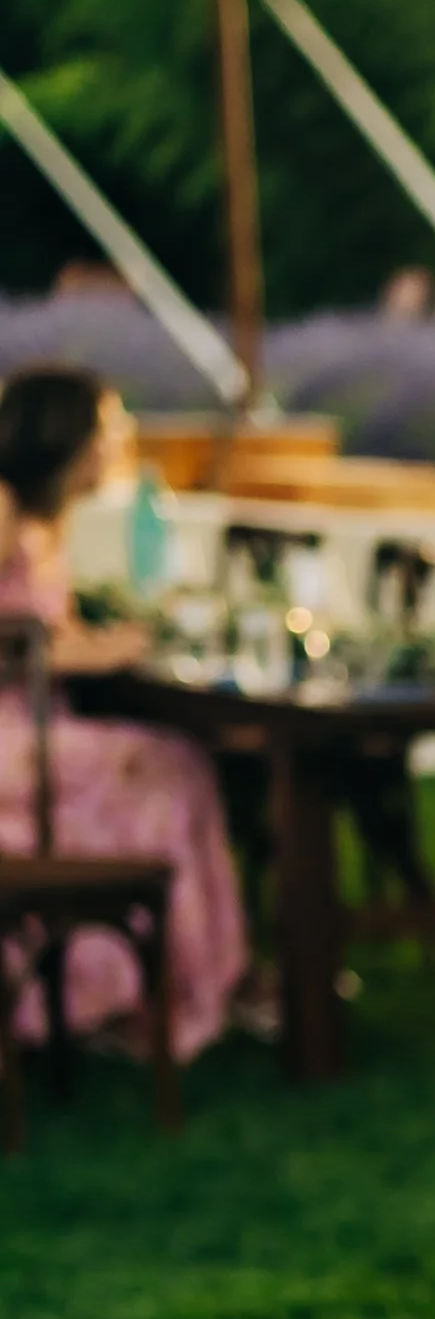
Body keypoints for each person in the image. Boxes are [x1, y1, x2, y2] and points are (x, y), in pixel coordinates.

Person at [0, 365, 249, 1060]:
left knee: (178, 765)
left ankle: (160, 986)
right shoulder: (2, 509)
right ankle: (163, 992)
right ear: (68, 436)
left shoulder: (46, 523)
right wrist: (87, 655)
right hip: (10, 740)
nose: (122, 442)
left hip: (39, 727)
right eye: (112, 427)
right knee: (172, 768)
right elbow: (21, 641)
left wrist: (104, 641)